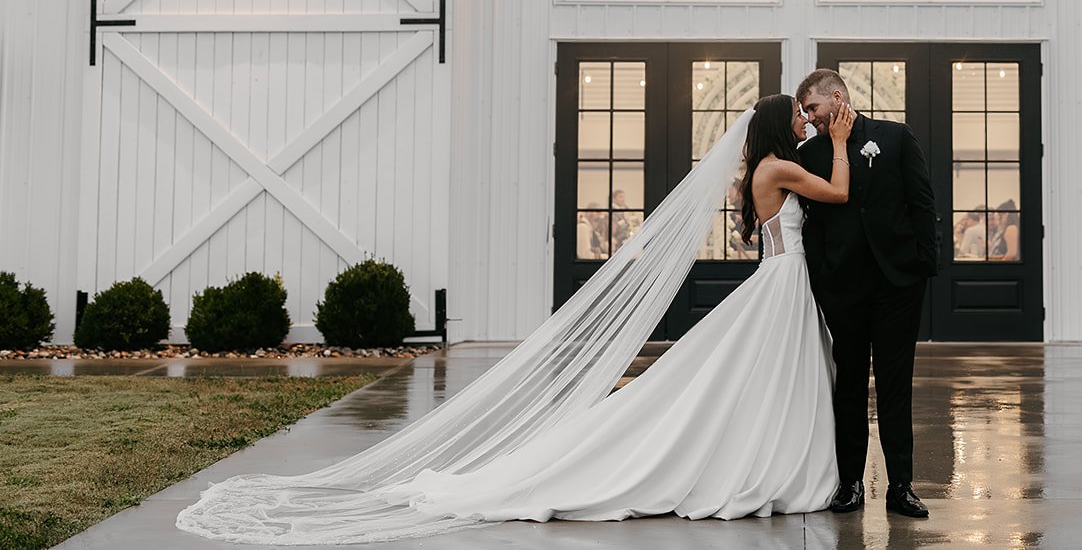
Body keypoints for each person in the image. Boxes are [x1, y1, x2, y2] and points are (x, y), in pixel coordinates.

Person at [176, 96, 855, 542]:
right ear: (775, 126)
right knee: (750, 377)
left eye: (809, 114)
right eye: (797, 115)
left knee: (763, 378)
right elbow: (841, 190)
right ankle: (764, 464)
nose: (806, 119)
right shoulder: (778, 168)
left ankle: (770, 458)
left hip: (781, 282)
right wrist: (842, 137)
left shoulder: (769, 166)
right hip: (781, 280)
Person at [796, 68, 938, 519]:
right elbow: (811, 222)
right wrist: (822, 276)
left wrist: (922, 268)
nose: (810, 117)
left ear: (836, 98)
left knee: (896, 386)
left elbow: (922, 202)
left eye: (813, 108)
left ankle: (901, 486)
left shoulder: (895, 137)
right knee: (850, 384)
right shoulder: (811, 153)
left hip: (899, 283)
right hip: (844, 286)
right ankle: (850, 483)